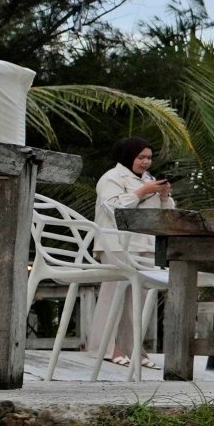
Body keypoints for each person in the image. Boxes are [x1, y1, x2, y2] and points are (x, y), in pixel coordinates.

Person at [88, 137, 174, 365]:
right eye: (141, 157)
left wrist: (164, 196)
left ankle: (133, 347)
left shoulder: (150, 180)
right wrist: (142, 192)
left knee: (138, 300)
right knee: (112, 296)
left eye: (149, 157)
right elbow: (114, 207)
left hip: (143, 246)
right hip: (115, 246)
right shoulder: (111, 178)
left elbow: (166, 216)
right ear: (129, 156)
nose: (146, 162)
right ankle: (104, 347)